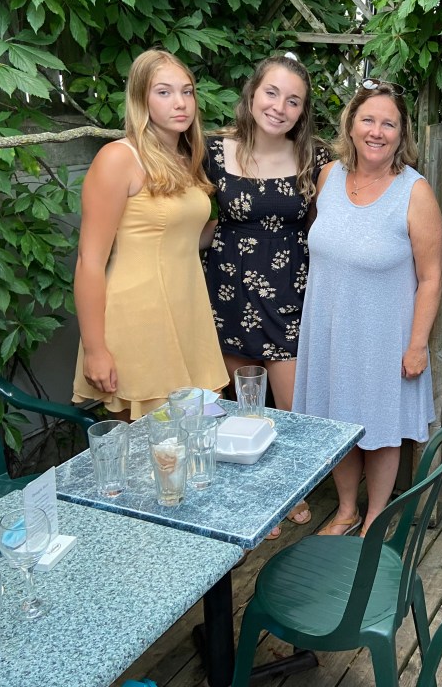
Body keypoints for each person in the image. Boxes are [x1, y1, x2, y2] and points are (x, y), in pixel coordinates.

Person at [293, 78, 442, 536]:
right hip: (328, 329)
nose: (377, 131)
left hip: (384, 334)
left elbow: (432, 277)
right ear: (351, 125)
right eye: (368, 120)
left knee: (379, 427)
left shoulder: (414, 193)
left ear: (402, 134)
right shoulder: (328, 177)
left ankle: (375, 515)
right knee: (334, 421)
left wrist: (417, 345)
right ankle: (345, 509)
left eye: (389, 124)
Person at [203, 54, 330, 538]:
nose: (280, 107)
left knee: (292, 403)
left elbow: (326, 223)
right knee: (238, 405)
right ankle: (251, 491)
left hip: (289, 292)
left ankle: (288, 489)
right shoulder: (213, 151)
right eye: (272, 93)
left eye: (293, 100)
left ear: (302, 111)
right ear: (253, 93)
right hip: (228, 289)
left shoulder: (316, 157)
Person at [72, 49, 228, 419]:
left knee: (191, 452)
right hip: (139, 318)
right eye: (164, 92)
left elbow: (187, 238)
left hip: (187, 313)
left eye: (187, 92)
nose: (180, 103)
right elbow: (89, 261)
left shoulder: (185, 159)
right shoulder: (118, 158)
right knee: (151, 454)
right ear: (141, 98)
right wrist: (96, 349)